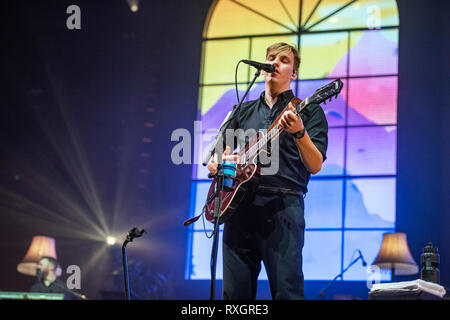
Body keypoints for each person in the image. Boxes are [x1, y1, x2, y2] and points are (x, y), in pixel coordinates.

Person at [207, 42, 328, 300]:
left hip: (283, 208)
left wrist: (299, 132)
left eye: (283, 60)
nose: (275, 63)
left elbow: (315, 165)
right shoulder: (242, 110)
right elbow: (213, 160)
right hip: (238, 209)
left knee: (287, 293)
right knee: (234, 297)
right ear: (262, 68)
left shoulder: (309, 110)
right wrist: (224, 162)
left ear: (293, 73)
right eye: (271, 58)